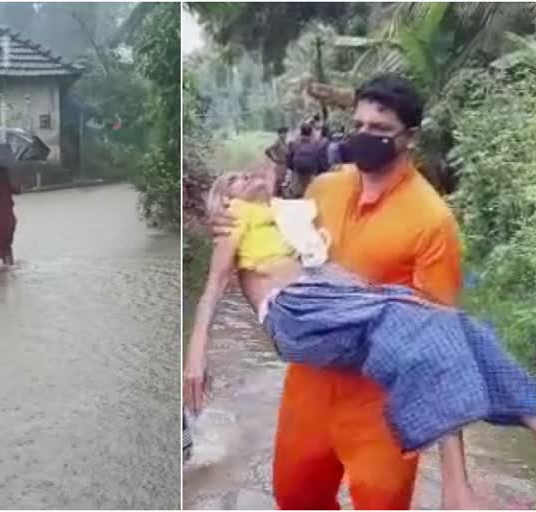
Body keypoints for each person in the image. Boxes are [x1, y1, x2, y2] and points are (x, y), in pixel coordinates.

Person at [187, 170, 536, 506]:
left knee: (456, 325)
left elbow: (281, 186)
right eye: (235, 180)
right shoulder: (233, 222)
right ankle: (458, 490)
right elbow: (213, 287)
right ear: (224, 199)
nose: (246, 178)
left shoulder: (284, 214)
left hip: (328, 300)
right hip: (296, 312)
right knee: (419, 326)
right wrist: (196, 353)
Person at [205, 74, 495, 509]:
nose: (364, 138)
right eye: (358, 126)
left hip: (381, 408)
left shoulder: (432, 221)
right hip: (308, 389)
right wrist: (226, 220)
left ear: (409, 137)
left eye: (379, 131)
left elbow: (442, 348)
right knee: (295, 498)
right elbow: (269, 248)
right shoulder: (325, 189)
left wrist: (457, 481)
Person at [285, 123, 329, 199]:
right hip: (311, 170)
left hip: (298, 170)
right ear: (311, 132)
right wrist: (322, 169)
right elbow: (320, 157)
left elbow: (289, 157)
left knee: (298, 192)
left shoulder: (295, 143)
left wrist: (292, 168)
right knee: (310, 191)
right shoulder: (316, 143)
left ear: (301, 131)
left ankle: (298, 199)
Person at [264, 127, 290, 197]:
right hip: (280, 165)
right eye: (283, 133)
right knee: (279, 181)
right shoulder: (277, 142)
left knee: (284, 182)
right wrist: (274, 159)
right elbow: (267, 150)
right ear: (279, 134)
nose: (285, 135)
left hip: (285, 164)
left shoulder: (285, 143)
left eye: (285, 133)